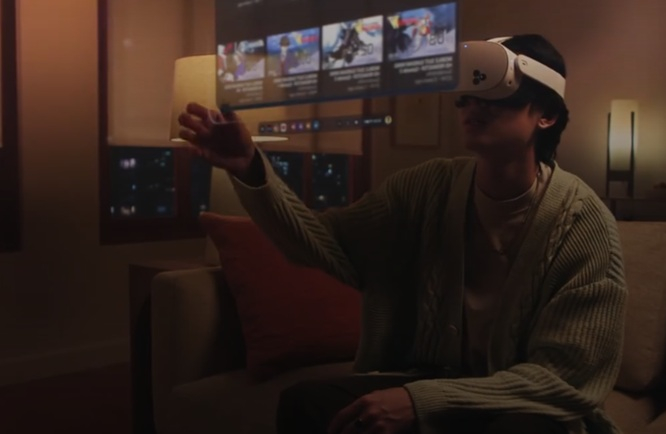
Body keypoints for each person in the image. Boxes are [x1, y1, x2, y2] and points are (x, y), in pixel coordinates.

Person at [177, 34, 627, 434]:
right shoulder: (424, 189)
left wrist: (420, 400)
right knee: (306, 404)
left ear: (546, 114)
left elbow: (565, 377)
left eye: (496, 92)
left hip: (521, 401)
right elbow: (322, 243)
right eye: (467, 95)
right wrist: (250, 168)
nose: (473, 105)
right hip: (427, 377)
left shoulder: (583, 224)